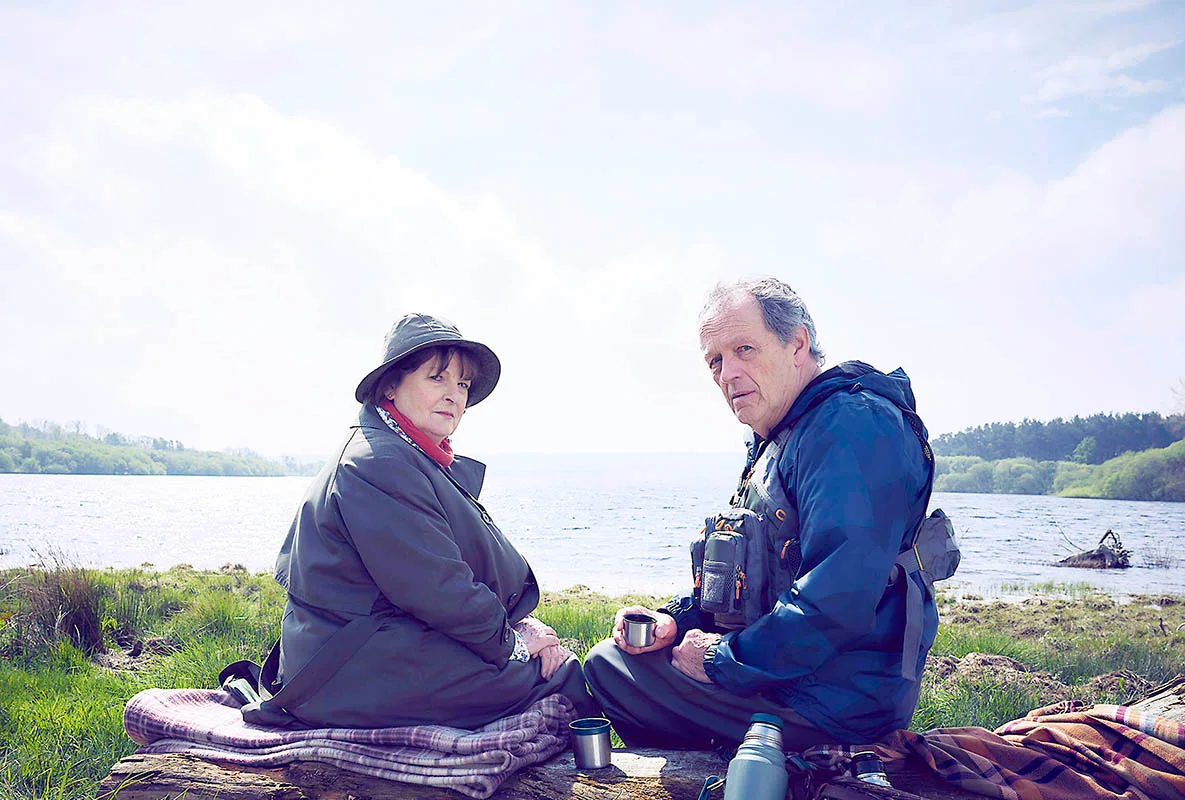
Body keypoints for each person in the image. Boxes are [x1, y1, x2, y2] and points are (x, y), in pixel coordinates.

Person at [583, 278, 938, 750]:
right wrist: (677, 620)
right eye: (715, 361)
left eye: (744, 349)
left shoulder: (851, 426)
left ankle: (731, 793)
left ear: (797, 345)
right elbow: (754, 577)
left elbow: (836, 603)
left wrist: (718, 661)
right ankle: (724, 784)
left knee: (611, 669)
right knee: (627, 658)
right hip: (791, 675)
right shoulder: (783, 435)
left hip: (835, 703)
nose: (728, 373)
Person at [271, 313, 598, 728]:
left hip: (380, 644)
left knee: (550, 665)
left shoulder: (410, 454)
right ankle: (601, 783)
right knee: (552, 676)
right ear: (391, 385)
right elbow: (439, 588)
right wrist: (513, 644)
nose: (454, 395)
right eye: (437, 378)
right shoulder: (378, 463)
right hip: (347, 666)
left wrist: (519, 623)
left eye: (461, 384)